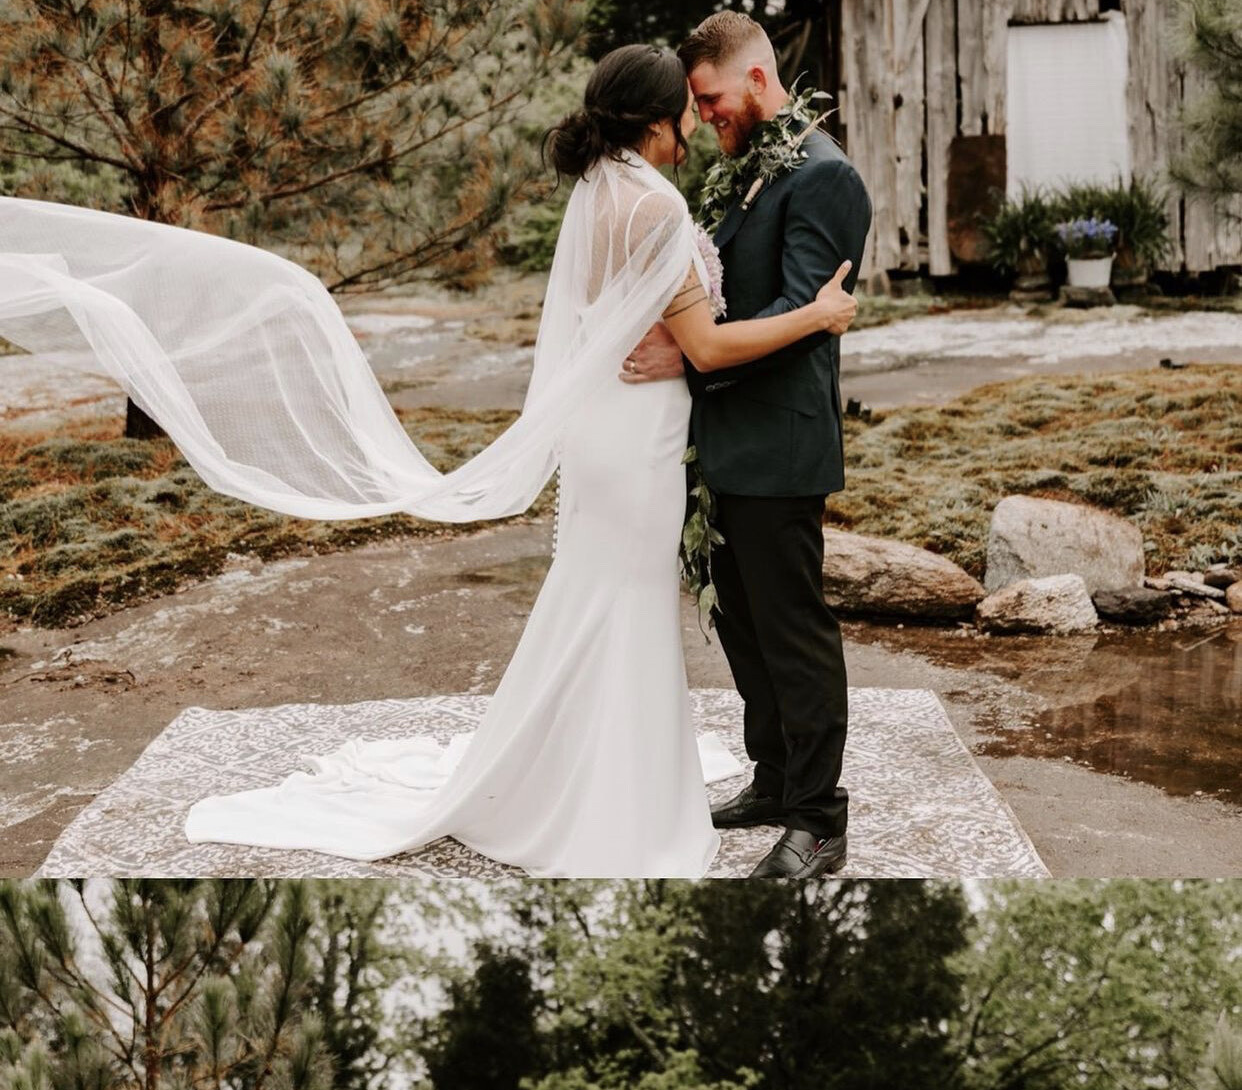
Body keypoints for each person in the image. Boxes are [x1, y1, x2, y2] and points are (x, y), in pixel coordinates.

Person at [0, 44, 857, 879]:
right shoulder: (657, 204)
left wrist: (680, 347)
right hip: (640, 440)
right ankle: (621, 796)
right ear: (659, 121)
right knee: (623, 605)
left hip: (613, 431)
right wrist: (817, 316)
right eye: (686, 113)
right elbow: (702, 341)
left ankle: (599, 777)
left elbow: (645, 327)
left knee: (602, 599)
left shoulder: (600, 192)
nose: (694, 128)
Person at [621, 13, 872, 879]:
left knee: (794, 635)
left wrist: (694, 358)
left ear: (758, 81)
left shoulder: (827, 179)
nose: (704, 116)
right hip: (723, 445)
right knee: (742, 629)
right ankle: (772, 778)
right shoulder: (750, 173)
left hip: (781, 447)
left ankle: (820, 817)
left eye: (712, 98)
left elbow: (802, 320)